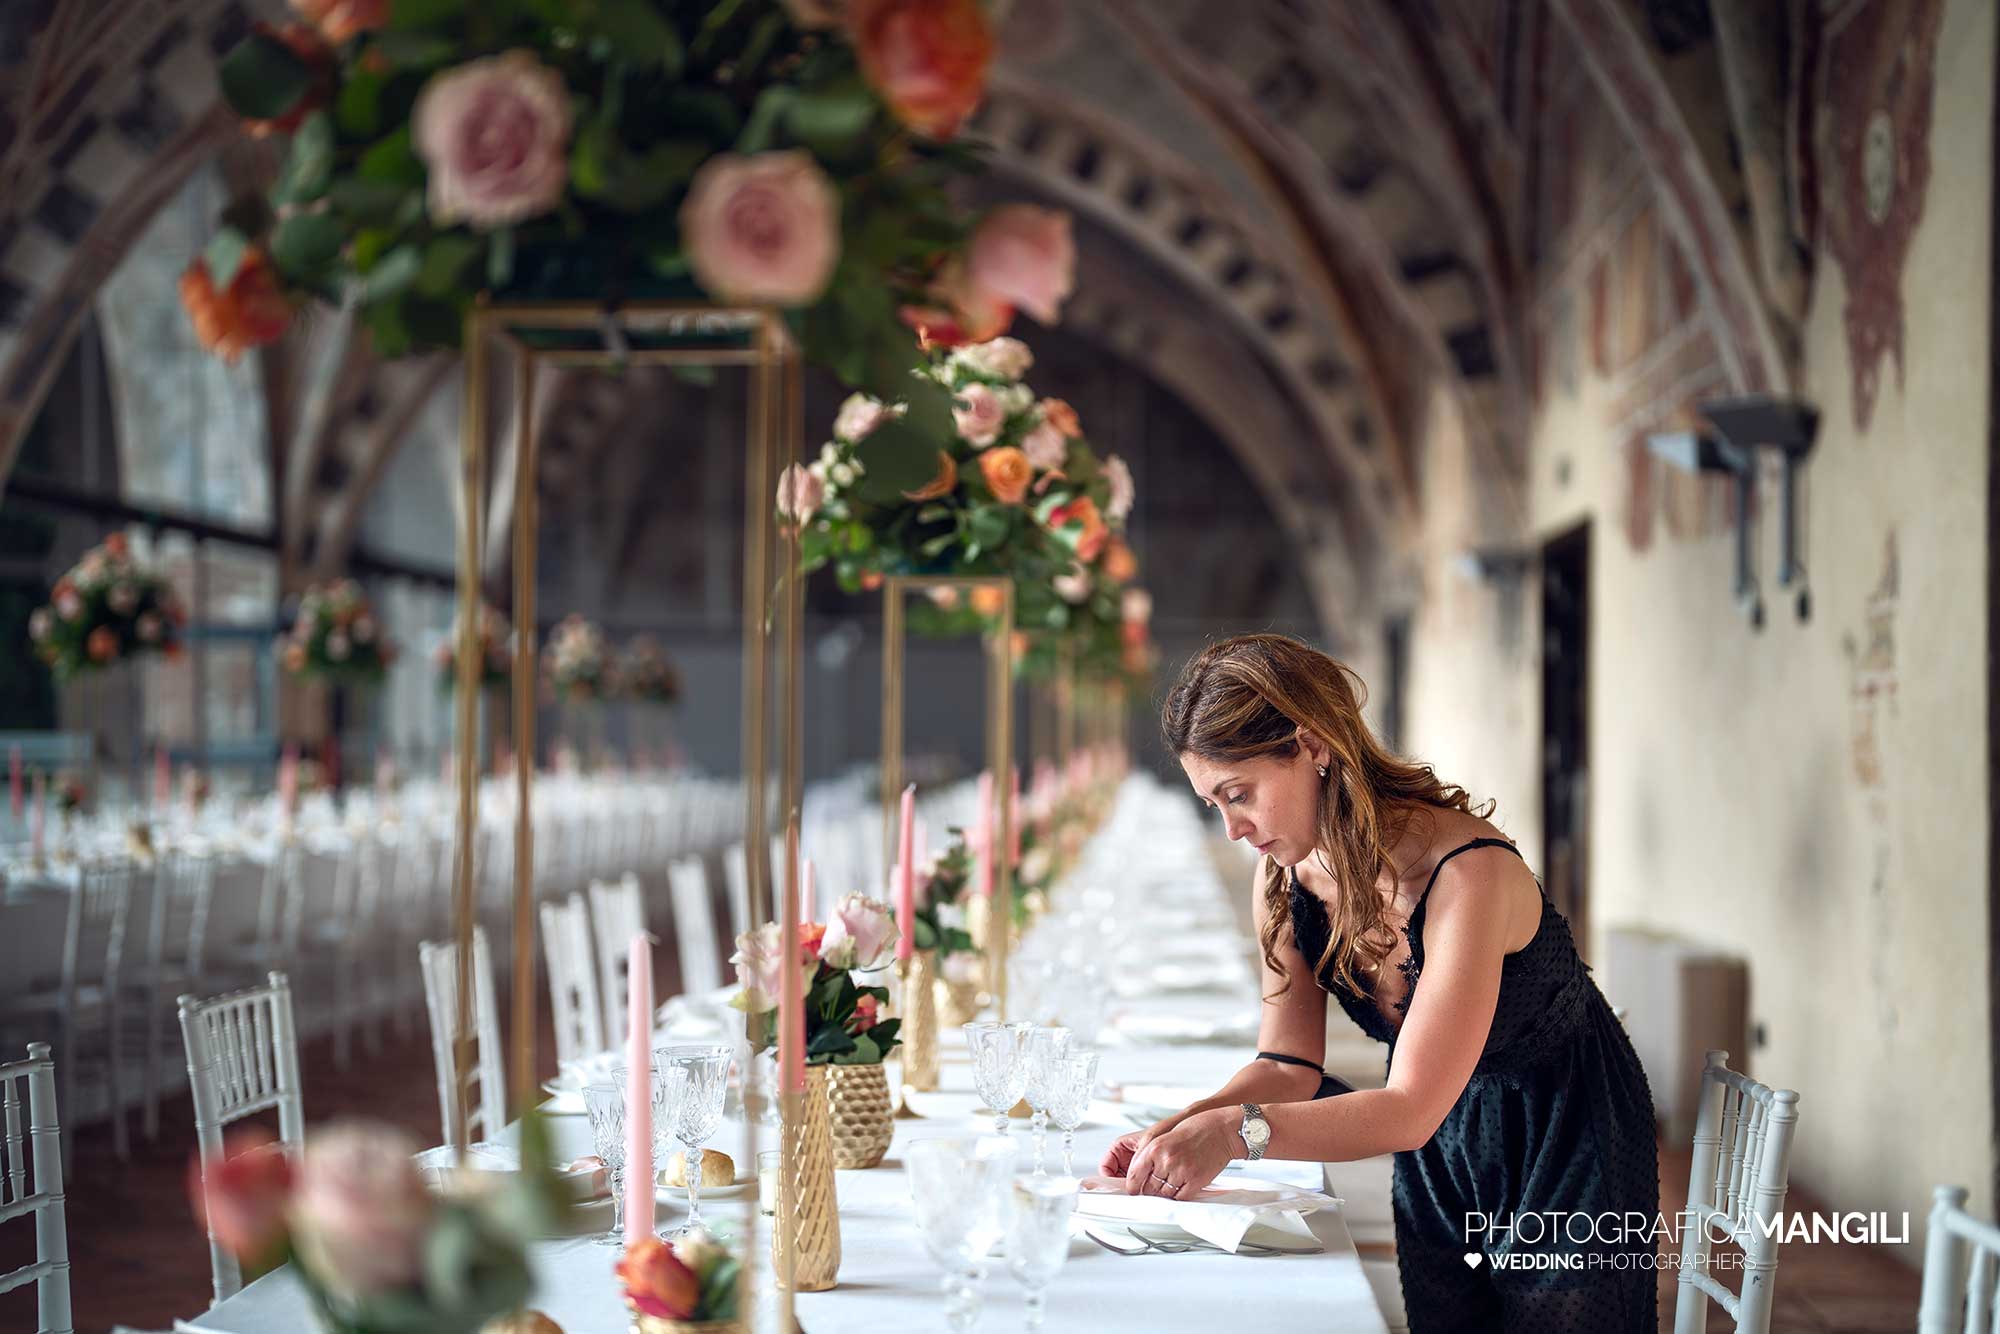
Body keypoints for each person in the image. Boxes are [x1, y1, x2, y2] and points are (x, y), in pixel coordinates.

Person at [1102, 633, 1658, 1331]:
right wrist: (1185, 1126)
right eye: (1214, 803)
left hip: (1561, 1127)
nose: (1233, 828)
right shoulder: (1283, 879)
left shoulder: (1468, 874)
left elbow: (1409, 1107)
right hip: (1443, 1139)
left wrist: (1232, 1134)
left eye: (1238, 794)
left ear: (1312, 746)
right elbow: (1287, 1064)